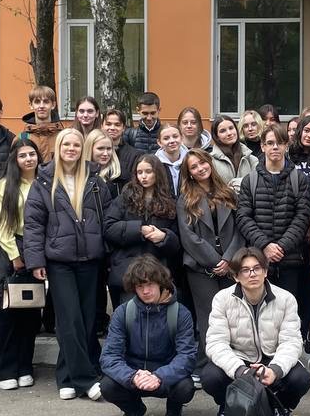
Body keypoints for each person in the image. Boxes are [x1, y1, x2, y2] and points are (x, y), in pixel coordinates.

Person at [23, 127, 107, 401]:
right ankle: (85, 379)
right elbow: (33, 224)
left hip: (91, 260)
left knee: (86, 320)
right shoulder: (44, 182)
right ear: (58, 148)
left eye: (76, 144)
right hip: (60, 262)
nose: (71, 149)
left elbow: (106, 218)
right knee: (69, 320)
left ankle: (66, 377)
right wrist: (35, 260)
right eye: (66, 144)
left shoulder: (95, 180)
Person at [202, 247, 310, 416]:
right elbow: (215, 342)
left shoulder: (286, 299)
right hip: (239, 358)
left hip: (272, 357)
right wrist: (239, 370)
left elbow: (291, 342)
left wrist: (275, 369)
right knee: (210, 376)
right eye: (245, 270)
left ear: (265, 271)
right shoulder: (222, 299)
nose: (252, 274)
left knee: (301, 378)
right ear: (236, 276)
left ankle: (280, 408)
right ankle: (228, 406)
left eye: (257, 268)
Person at [98, 256, 196, 416]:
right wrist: (133, 376)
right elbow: (109, 356)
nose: (145, 291)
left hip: (165, 376)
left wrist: (159, 376)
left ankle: (174, 410)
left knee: (185, 387)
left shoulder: (181, 313)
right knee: (107, 386)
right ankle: (133, 410)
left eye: (150, 284)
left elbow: (187, 356)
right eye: (139, 286)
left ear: (161, 283)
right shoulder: (123, 312)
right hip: (135, 376)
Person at [236, 124, 310, 314]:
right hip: (258, 261)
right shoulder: (250, 181)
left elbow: (303, 216)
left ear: (287, 145)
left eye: (280, 143)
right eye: (270, 143)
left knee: (288, 313)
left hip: (290, 261)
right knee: (259, 313)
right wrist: (265, 245)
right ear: (262, 146)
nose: (275, 147)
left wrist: (281, 247)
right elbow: (243, 217)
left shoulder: (299, 179)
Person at [178, 149, 244, 366]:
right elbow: (188, 237)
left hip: (230, 263)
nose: (200, 169)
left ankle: (234, 361)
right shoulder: (185, 199)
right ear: (189, 173)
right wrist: (215, 261)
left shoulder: (228, 193)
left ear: (209, 163)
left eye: (202, 163)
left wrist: (229, 259)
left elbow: (240, 229)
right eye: (194, 167)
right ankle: (208, 364)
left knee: (232, 314)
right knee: (208, 315)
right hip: (200, 267)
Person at [0, 139, 43, 390]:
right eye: (23, 155)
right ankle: (5, 370)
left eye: (32, 154)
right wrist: (15, 255)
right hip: (11, 251)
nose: (28, 159)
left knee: (30, 312)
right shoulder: (5, 185)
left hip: (37, 251)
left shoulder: (44, 182)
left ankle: (24, 366)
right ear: (15, 159)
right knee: (8, 313)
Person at [105, 154, 180, 309]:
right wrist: (139, 230)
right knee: (129, 316)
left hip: (158, 271)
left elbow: (178, 240)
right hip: (127, 271)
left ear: (157, 173)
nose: (143, 176)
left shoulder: (170, 202)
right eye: (140, 172)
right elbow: (109, 228)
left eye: (148, 171)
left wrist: (164, 237)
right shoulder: (125, 198)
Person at [208, 115, 258, 191]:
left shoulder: (251, 159)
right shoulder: (210, 161)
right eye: (223, 131)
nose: (229, 133)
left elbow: (257, 184)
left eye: (231, 128)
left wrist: (236, 183)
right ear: (216, 136)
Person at [20, 84, 64, 165]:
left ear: (53, 105)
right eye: (37, 102)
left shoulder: (64, 136)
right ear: (31, 105)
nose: (41, 106)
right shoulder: (22, 138)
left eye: (46, 102)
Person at [83, 130, 123, 196]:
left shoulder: (120, 176)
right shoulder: (79, 175)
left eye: (109, 149)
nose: (105, 153)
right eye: (100, 148)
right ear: (90, 149)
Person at [154, 124, 186, 194]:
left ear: (182, 138)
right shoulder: (154, 164)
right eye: (166, 138)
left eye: (175, 136)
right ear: (159, 142)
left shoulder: (190, 161)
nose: (172, 141)